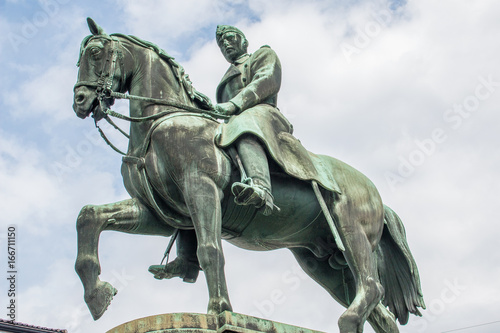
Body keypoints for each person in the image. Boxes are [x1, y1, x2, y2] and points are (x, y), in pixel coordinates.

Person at [150, 25, 294, 282]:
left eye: (230, 38)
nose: (226, 44)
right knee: (196, 169)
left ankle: (261, 186)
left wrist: (234, 104)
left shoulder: (262, 55)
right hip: (234, 121)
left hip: (264, 116)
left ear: (243, 40)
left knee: (242, 123)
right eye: (221, 43)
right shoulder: (225, 77)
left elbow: (267, 81)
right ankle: (188, 260)